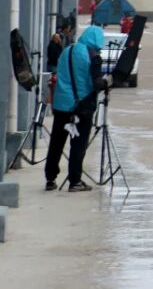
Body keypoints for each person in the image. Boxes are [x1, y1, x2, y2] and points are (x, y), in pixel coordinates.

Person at [45, 25, 107, 192]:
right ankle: (75, 181)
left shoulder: (68, 50)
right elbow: (96, 83)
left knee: (56, 142)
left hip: (61, 105)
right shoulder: (93, 56)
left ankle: (50, 178)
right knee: (78, 144)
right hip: (81, 107)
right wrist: (107, 82)